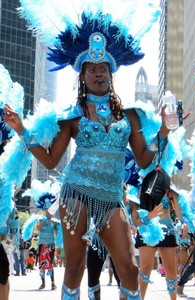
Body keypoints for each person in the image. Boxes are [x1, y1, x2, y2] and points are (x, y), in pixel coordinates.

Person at [4, 4, 164, 299]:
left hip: (112, 198)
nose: (98, 73)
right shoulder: (73, 115)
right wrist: (22, 130)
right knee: (75, 268)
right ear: (83, 75)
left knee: (128, 267)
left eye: (103, 68)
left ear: (111, 73)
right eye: (92, 69)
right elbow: (51, 160)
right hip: (76, 193)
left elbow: (144, 160)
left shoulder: (130, 115)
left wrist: (164, 132)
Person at [131, 187, 191, 300]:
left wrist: (184, 222)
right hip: (147, 228)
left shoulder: (170, 189)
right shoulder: (140, 186)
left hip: (167, 229)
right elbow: (135, 215)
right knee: (145, 268)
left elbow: (179, 213)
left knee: (171, 270)